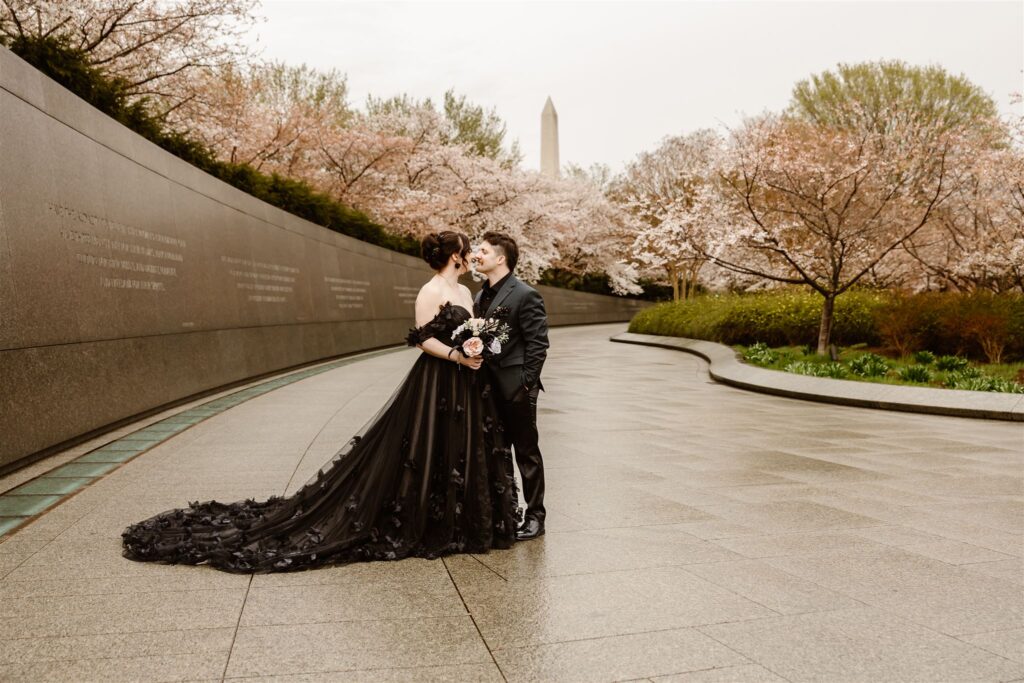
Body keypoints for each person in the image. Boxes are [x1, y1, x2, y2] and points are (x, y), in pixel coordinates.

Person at [121, 231, 521, 573]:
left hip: (468, 382)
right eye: (467, 249)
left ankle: (461, 523)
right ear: (454, 255)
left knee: (460, 448)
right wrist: (455, 355)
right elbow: (421, 338)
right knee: (426, 446)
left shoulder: (466, 291)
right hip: (439, 379)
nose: (471, 256)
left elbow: (470, 329)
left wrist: (476, 348)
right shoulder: (430, 290)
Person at [472, 232, 549, 540]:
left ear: (501, 259)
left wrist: (526, 385)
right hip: (485, 387)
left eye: (484, 251)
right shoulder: (479, 297)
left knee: (526, 452)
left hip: (516, 387)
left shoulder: (525, 294)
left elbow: (538, 344)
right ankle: (507, 512)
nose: (478, 255)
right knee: (496, 450)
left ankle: (536, 517)